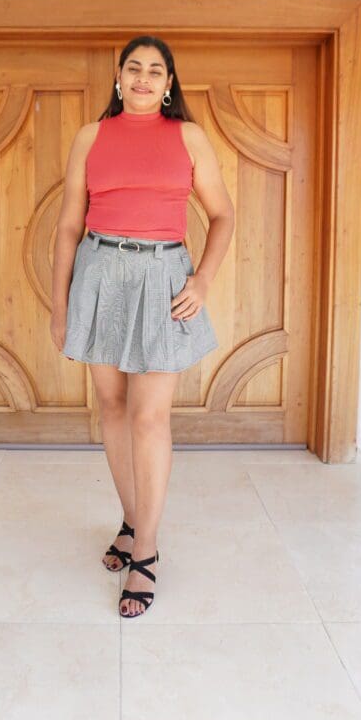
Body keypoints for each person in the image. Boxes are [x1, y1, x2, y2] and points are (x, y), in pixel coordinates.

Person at [50, 35, 235, 617]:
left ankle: (146, 552)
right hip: (100, 273)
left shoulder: (188, 137)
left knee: (148, 416)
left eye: (156, 71)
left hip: (163, 278)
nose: (144, 79)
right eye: (134, 68)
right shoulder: (90, 136)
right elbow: (66, 228)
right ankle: (132, 518)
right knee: (110, 407)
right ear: (119, 77)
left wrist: (201, 280)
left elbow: (224, 215)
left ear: (169, 83)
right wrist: (60, 305)